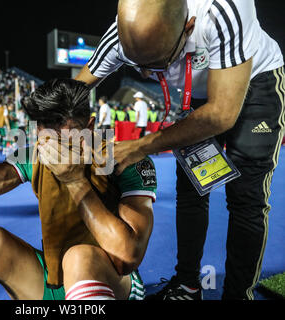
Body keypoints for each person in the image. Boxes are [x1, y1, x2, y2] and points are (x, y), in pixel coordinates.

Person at [75, 0, 284, 300]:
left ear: (188, 28)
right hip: (202, 94)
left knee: (246, 198)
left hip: (256, 81)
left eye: (157, 63)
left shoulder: (225, 11)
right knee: (191, 189)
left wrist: (141, 145)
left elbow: (222, 113)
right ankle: (187, 284)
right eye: (136, 65)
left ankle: (238, 295)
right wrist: (65, 129)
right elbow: (74, 89)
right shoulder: (123, 35)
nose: (146, 74)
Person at [0, 75, 157, 301]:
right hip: (51, 279)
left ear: (90, 127)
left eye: (64, 138)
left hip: (112, 283)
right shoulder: (36, 153)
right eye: (44, 134)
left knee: (80, 257)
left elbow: (127, 256)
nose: (51, 147)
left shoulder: (125, 159)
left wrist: (75, 182)